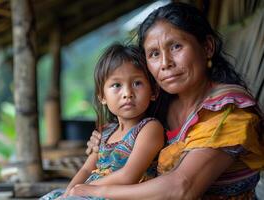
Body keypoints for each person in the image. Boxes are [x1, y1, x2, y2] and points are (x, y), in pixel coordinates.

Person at [69, 2, 264, 199]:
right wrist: (100, 145)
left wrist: (91, 189)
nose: (165, 63)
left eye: (176, 46)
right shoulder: (159, 104)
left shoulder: (229, 113)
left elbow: (181, 188)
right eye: (154, 54)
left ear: (207, 47)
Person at [40, 44, 164, 200]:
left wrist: (85, 189)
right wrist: (68, 193)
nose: (127, 93)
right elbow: (86, 170)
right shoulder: (105, 132)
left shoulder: (149, 129)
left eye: (137, 83)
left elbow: (128, 176)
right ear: (102, 96)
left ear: (153, 91)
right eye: (116, 85)